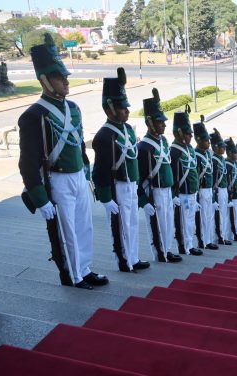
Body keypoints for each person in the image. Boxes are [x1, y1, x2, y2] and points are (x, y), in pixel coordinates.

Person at [18, 33, 108, 290]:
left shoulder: (74, 108)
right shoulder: (33, 116)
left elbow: (79, 144)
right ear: (45, 80)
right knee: (66, 231)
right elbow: (27, 162)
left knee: (84, 226)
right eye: (60, 77)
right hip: (56, 179)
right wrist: (40, 198)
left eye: (66, 76)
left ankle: (85, 268)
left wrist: (86, 172)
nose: (66, 81)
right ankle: (72, 275)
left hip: (78, 176)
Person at [92, 67, 150, 273]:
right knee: (120, 226)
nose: (126, 110)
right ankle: (123, 259)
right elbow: (100, 170)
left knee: (132, 223)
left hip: (130, 184)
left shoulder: (127, 130)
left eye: (126, 107)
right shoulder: (105, 136)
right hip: (117, 186)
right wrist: (106, 198)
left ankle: (133, 256)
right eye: (121, 107)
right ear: (109, 109)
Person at [137, 88, 182, 264]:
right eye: (160, 122)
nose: (164, 125)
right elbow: (139, 178)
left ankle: (167, 249)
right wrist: (144, 201)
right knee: (156, 224)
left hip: (166, 190)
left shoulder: (163, 142)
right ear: (150, 123)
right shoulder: (144, 148)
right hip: (154, 191)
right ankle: (160, 253)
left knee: (168, 223)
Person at [170, 105, 204, 256]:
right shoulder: (174, 151)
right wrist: (174, 195)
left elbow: (194, 171)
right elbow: (173, 175)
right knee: (182, 222)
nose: (191, 136)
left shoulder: (190, 149)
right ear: (179, 133)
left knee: (189, 221)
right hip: (181, 193)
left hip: (191, 192)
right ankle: (183, 246)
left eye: (191, 133)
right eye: (188, 133)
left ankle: (189, 244)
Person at [193, 116, 219, 251]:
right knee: (202, 217)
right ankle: (202, 240)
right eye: (206, 140)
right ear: (198, 140)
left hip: (209, 189)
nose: (209, 142)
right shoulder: (195, 155)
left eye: (208, 140)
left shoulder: (208, 154)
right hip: (201, 190)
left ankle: (208, 239)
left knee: (208, 216)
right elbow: (196, 177)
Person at [210, 128, 232, 245]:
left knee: (223, 214)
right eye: (221, 146)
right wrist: (214, 197)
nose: (224, 148)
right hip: (217, 191)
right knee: (217, 216)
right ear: (215, 147)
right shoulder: (214, 160)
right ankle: (218, 237)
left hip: (224, 191)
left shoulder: (221, 160)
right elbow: (213, 181)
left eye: (224, 146)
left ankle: (222, 236)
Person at [225, 138, 237, 242]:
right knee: (228, 218)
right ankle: (228, 236)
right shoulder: (227, 165)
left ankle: (234, 234)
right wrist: (229, 199)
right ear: (230, 153)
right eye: (235, 153)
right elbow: (226, 182)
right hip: (231, 197)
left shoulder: (235, 164)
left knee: (235, 218)